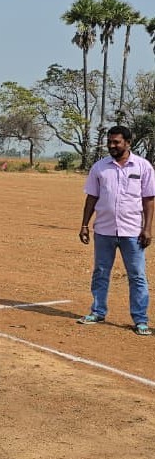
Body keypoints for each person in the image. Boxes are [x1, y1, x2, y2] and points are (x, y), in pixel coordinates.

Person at [78, 125, 154, 336]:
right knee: (101, 272)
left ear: (128, 143)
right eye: (109, 142)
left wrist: (147, 228)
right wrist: (84, 225)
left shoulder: (143, 167)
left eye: (116, 142)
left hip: (132, 232)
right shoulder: (99, 168)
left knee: (137, 275)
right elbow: (91, 197)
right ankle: (97, 311)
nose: (112, 145)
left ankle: (140, 320)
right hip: (104, 230)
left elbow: (149, 200)